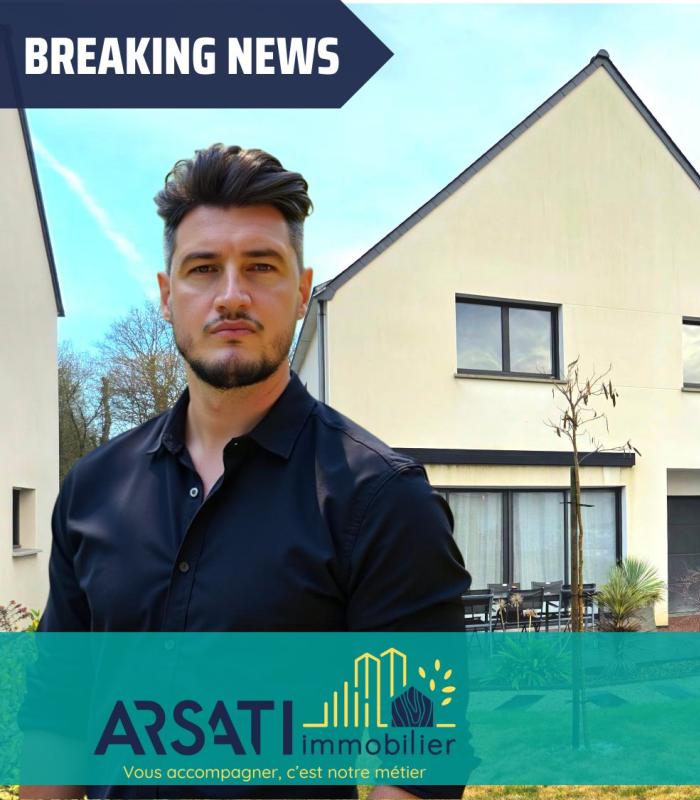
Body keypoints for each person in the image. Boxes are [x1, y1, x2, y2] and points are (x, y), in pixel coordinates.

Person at [21, 145, 471, 800]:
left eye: (261, 266)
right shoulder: (91, 490)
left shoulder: (381, 500)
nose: (231, 295)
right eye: (204, 269)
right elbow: (58, 712)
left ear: (301, 291)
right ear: (167, 296)